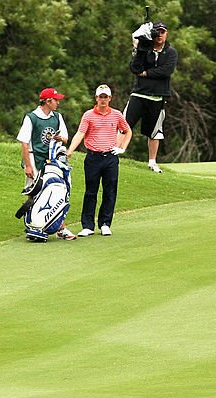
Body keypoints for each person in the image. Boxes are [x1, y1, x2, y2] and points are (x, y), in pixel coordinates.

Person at [66, 84, 132, 237]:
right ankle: (88, 225)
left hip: (110, 157)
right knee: (91, 192)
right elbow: (80, 134)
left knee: (110, 191)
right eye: (100, 97)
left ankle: (105, 223)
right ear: (96, 98)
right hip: (93, 157)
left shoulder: (116, 115)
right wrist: (70, 151)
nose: (103, 100)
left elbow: (127, 131)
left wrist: (122, 147)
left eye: (105, 97)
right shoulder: (88, 115)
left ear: (110, 98)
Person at [15, 87, 75, 239]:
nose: (58, 103)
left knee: (56, 191)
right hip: (35, 159)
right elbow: (24, 143)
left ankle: (61, 228)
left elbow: (65, 137)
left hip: (53, 160)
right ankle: (33, 226)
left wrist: (59, 138)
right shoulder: (32, 117)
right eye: (56, 100)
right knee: (33, 193)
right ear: (48, 101)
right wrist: (28, 165)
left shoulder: (57, 117)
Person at [124, 20, 177, 174]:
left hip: (158, 97)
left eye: (162, 32)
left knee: (154, 132)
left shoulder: (171, 52)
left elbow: (166, 71)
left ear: (166, 34)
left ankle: (152, 162)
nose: (159, 35)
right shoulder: (145, 48)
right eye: (157, 32)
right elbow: (135, 68)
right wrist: (138, 48)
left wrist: (147, 73)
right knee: (123, 125)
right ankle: (114, 154)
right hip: (139, 93)